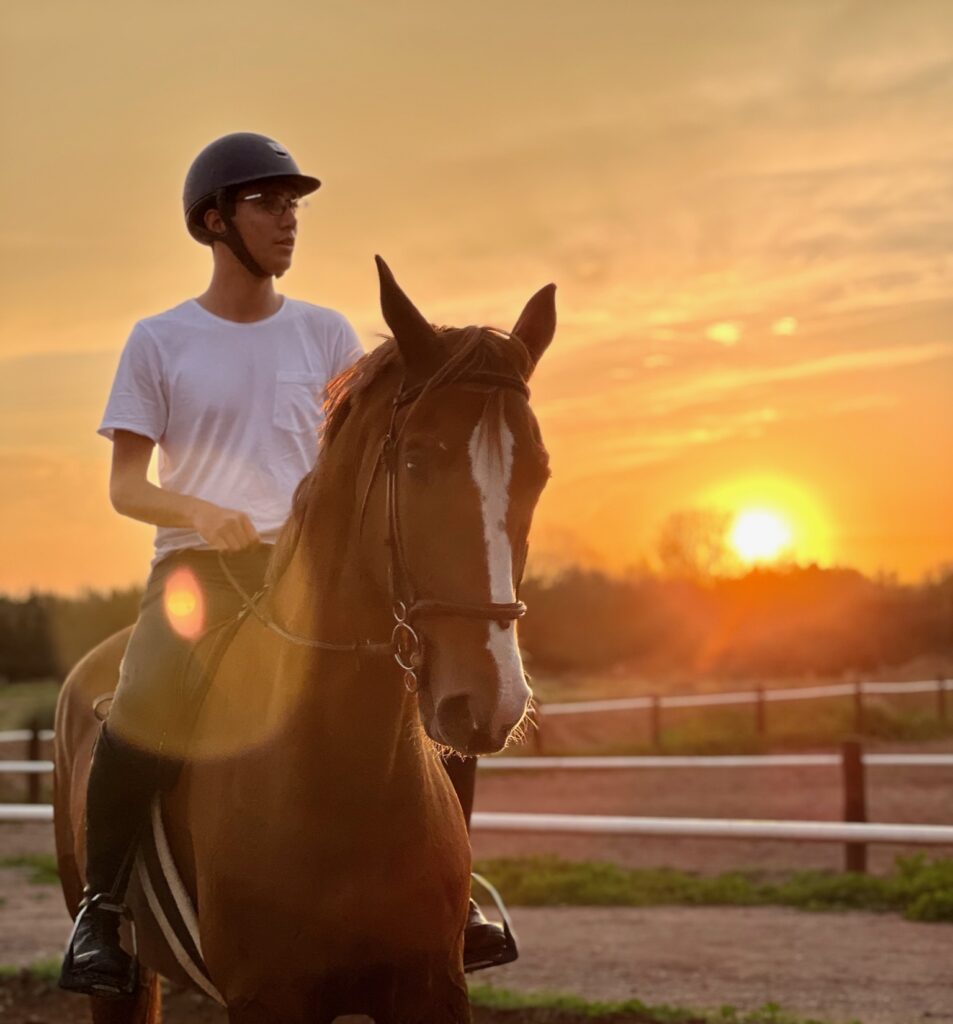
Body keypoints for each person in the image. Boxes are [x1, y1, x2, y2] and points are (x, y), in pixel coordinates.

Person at [59, 131, 511, 999]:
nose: (288, 219)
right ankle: (102, 910)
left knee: (430, 701)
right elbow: (125, 486)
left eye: (294, 204)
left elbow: (356, 459)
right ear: (214, 220)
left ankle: (456, 899)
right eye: (268, 203)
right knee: (144, 704)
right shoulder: (160, 340)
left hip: (313, 573)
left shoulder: (326, 331)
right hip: (200, 571)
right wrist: (195, 509)